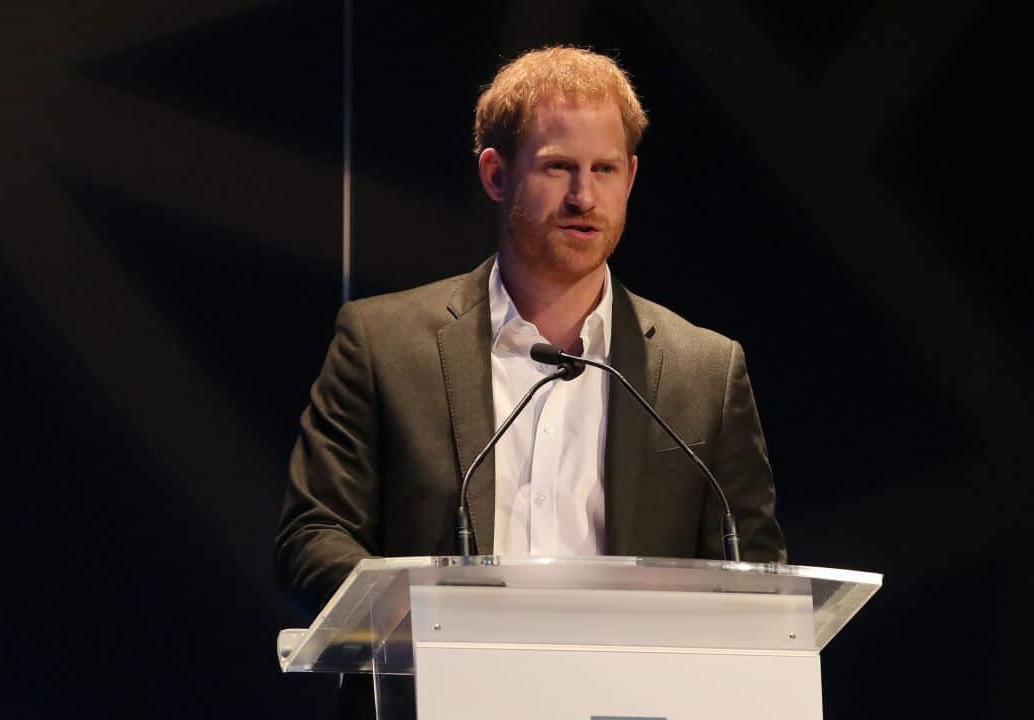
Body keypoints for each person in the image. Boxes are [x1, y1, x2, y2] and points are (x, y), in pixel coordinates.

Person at [275, 47, 786, 622]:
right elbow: (313, 538)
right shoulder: (382, 346)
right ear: (496, 174)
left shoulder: (705, 373)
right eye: (557, 167)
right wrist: (435, 622)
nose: (583, 197)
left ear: (631, 178)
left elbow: (757, 587)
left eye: (604, 169)